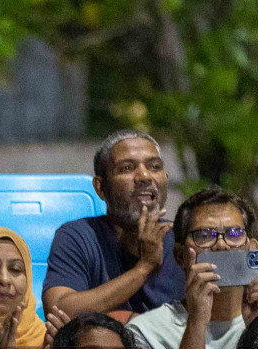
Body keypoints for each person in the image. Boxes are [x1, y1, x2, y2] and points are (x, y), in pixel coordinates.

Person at [127, 187, 258, 349]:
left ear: (251, 248)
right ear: (180, 256)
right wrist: (197, 321)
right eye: (205, 235)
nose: (222, 245)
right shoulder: (145, 332)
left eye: (235, 233)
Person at [42, 130, 185, 316]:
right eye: (127, 168)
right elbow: (59, 311)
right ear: (100, 188)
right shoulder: (77, 236)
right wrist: (144, 267)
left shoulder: (183, 239)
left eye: (155, 167)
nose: (144, 176)